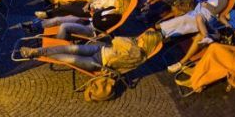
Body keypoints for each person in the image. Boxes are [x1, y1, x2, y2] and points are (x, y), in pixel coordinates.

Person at [19, 29, 163, 73]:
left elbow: (116, 40)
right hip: (100, 48)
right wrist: (124, 43)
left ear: (148, 43)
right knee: (69, 48)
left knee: (64, 56)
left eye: (144, 38)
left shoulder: (138, 54)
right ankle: (34, 51)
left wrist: (126, 43)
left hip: (98, 62)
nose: (141, 37)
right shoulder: (133, 45)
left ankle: (36, 53)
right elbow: (117, 42)